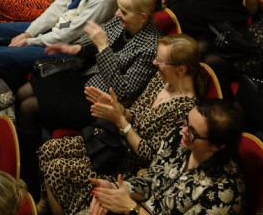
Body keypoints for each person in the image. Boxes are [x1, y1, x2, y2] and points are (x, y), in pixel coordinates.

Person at [37, 33, 207, 215]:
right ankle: (45, 204)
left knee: (57, 169)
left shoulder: (186, 109)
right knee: (48, 148)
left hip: (127, 165)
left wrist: (121, 121)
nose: (154, 63)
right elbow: (135, 114)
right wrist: (117, 108)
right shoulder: (161, 80)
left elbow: (152, 156)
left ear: (181, 70)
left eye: (161, 60)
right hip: (114, 142)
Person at [15, 0, 161, 187]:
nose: (117, 13)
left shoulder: (150, 46)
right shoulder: (124, 22)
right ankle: (27, 149)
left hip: (100, 102)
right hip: (86, 77)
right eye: (119, 7)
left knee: (28, 107)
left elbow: (123, 91)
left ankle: (28, 175)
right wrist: (76, 48)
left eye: (124, 11)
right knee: (23, 91)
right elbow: (98, 34)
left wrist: (102, 47)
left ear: (143, 17)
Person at [88, 99, 246, 215]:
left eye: (192, 133)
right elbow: (150, 180)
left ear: (217, 146)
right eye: (186, 121)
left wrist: (130, 208)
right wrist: (117, 189)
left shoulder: (223, 191)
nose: (183, 131)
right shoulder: (177, 139)